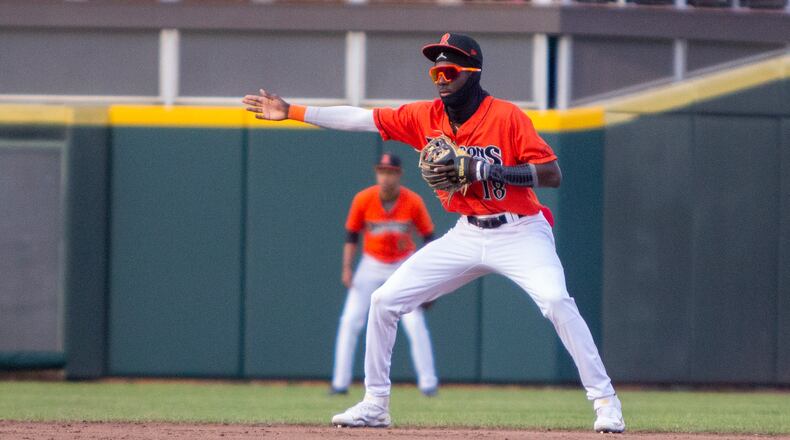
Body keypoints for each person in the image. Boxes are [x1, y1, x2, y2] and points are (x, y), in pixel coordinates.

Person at [242, 32, 626, 433]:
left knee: (555, 301)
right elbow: (362, 118)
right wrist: (293, 110)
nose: (440, 77)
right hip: (466, 233)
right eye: (435, 70)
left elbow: (552, 174)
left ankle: (605, 402)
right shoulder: (423, 117)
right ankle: (375, 404)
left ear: (472, 72)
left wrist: (487, 169)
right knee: (383, 301)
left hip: (521, 232)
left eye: (449, 70)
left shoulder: (507, 117)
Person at [331, 152, 439, 397]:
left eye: (390, 172)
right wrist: (347, 268)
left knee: (415, 323)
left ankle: (428, 384)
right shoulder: (363, 199)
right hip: (371, 263)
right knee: (350, 321)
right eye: (382, 171)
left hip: (402, 264)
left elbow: (429, 238)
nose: (385, 176)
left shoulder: (412, 201)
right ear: (376, 173)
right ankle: (340, 383)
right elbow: (351, 236)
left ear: (399, 174)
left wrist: (430, 278)